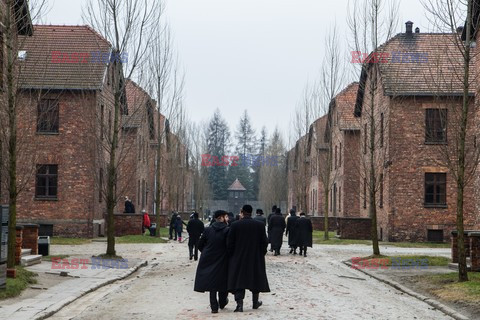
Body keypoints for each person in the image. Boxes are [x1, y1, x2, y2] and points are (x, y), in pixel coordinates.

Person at [227, 204, 270, 312]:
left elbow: (230, 242)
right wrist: (261, 253)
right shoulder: (259, 225)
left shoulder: (235, 225)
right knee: (255, 279)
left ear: (242, 212)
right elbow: (264, 241)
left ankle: (239, 305)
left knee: (239, 280)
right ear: (251, 212)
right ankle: (255, 302)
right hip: (255, 256)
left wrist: (232, 255)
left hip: (238, 256)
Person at [194, 210, 230, 314]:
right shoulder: (227, 230)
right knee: (223, 281)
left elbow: (200, 244)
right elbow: (230, 245)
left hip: (209, 258)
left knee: (212, 283)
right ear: (222, 218)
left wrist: (205, 252)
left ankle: (214, 306)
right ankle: (222, 302)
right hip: (223, 258)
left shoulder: (208, 230)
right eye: (225, 217)